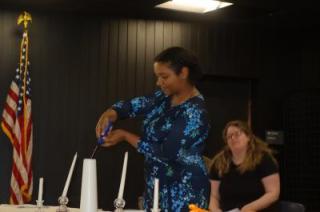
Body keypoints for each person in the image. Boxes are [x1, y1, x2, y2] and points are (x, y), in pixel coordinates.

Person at [96, 47, 211, 211]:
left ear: (183, 73)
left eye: (164, 77)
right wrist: (111, 114)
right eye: (158, 77)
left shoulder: (195, 112)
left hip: (185, 192)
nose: (159, 82)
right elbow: (133, 105)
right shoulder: (163, 97)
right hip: (156, 186)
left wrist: (125, 136)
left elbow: (166, 152)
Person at [209, 120, 280, 212]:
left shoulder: (264, 159)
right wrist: (216, 210)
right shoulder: (219, 162)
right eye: (229, 136)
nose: (233, 138)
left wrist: (248, 208)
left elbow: (273, 193)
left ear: (248, 137)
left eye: (237, 134)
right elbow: (213, 195)